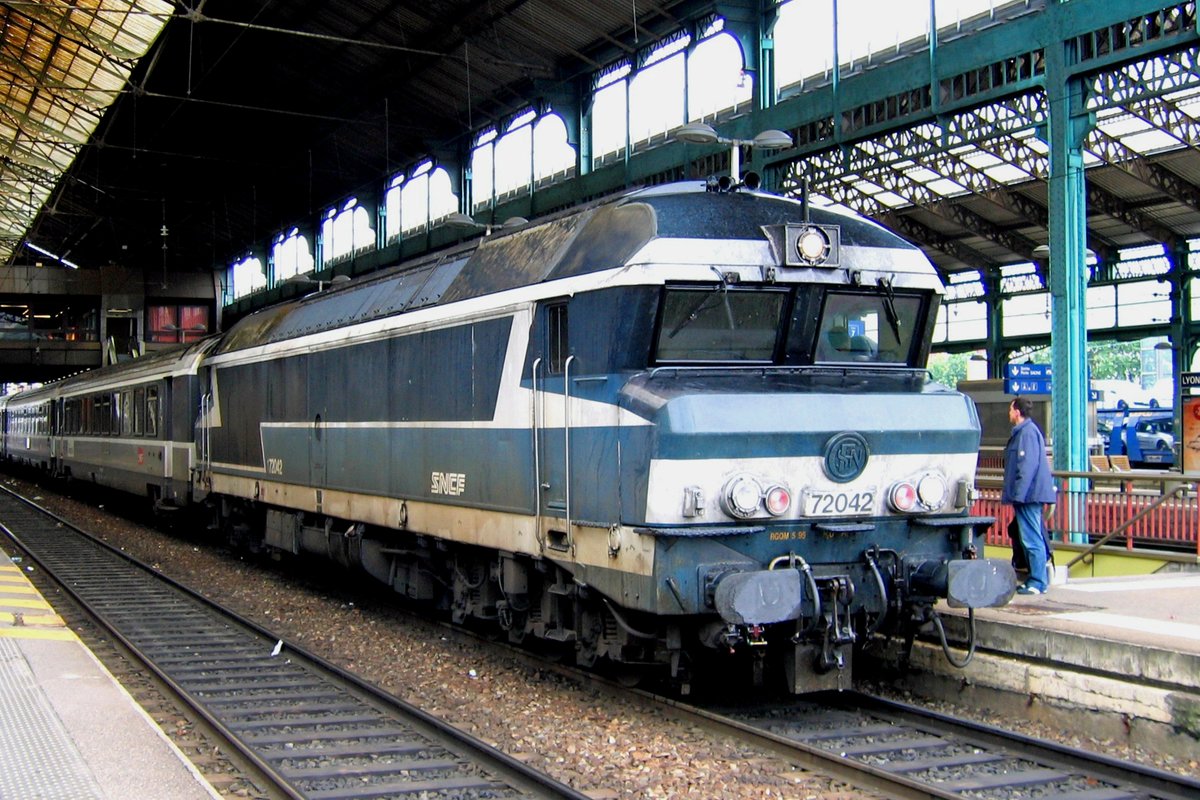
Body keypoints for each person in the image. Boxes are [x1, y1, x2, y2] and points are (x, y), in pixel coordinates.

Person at [1002, 396, 1056, 594]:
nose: (1008, 413)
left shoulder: (1027, 434)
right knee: (1029, 536)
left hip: (1029, 496)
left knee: (1032, 538)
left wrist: (1018, 494)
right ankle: (1035, 579)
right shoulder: (1025, 433)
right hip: (1028, 495)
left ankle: (1038, 582)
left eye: (1010, 409)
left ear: (1017, 411)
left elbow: (1027, 467)